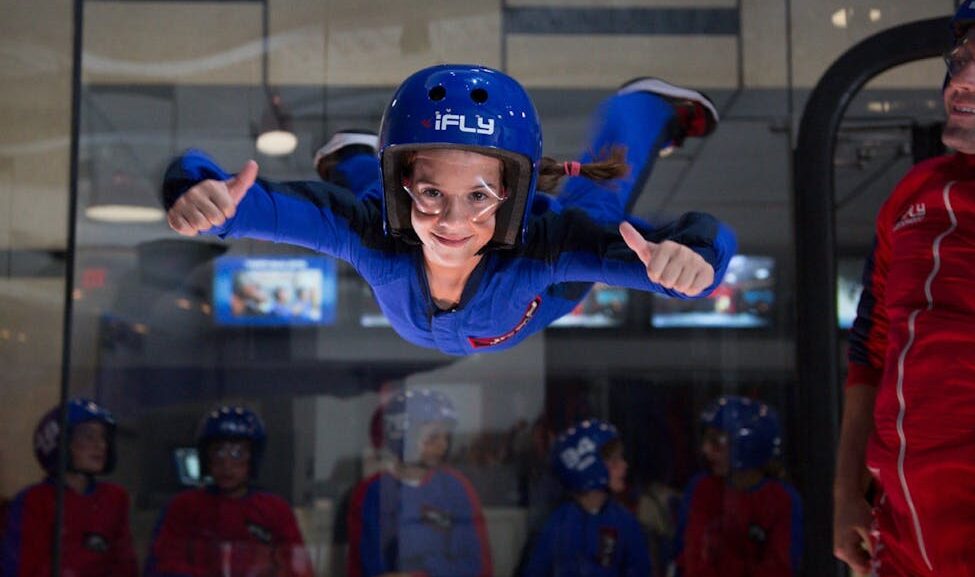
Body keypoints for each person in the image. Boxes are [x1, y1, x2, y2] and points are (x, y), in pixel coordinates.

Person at [163, 64, 736, 356]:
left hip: (535, 299)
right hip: (410, 249)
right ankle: (357, 162)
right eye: (433, 192)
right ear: (406, 180)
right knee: (374, 211)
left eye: (480, 197)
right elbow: (254, 205)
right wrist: (201, 194)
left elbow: (684, 252)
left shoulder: (544, 245)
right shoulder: (377, 226)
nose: (453, 224)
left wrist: (693, 259)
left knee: (599, 203)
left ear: (511, 196)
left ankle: (639, 108)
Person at [833, 5, 975, 576]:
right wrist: (846, 490)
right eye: (959, 60)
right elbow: (870, 350)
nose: (960, 80)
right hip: (901, 534)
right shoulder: (911, 193)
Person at [145, 406, 313, 577]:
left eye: (238, 453)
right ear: (206, 457)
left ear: (253, 457)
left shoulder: (275, 509)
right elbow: (162, 565)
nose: (227, 465)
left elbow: (298, 568)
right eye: (218, 451)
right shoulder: (184, 506)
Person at [345, 388, 492, 577]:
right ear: (402, 437)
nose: (443, 445)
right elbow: (366, 564)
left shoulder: (456, 488)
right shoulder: (374, 491)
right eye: (433, 437)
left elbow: (477, 566)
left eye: (446, 436)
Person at [1, 398, 137, 577]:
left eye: (103, 437)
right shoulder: (35, 501)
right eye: (88, 436)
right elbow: (22, 567)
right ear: (60, 441)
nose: (101, 445)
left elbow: (125, 565)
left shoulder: (114, 498)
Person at [672, 396, 802, 577]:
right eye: (707, 441)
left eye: (716, 442)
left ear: (747, 445)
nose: (706, 450)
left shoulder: (782, 499)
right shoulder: (702, 488)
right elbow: (692, 559)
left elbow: (780, 568)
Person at [521, 419, 652, 577]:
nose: (625, 465)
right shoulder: (557, 525)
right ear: (589, 466)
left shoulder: (624, 523)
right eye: (615, 461)